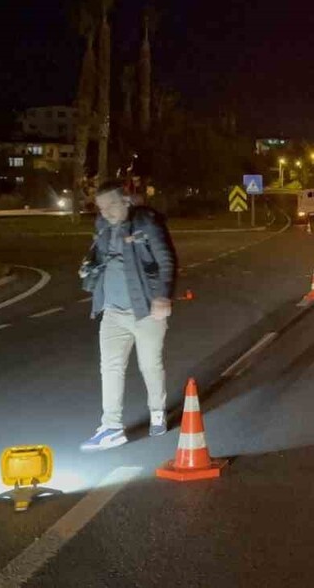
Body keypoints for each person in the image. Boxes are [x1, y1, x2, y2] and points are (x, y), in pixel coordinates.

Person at [78, 180, 177, 451]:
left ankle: (157, 412)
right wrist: (89, 268)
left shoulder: (146, 223)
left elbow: (167, 259)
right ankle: (111, 427)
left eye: (111, 205)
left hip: (145, 310)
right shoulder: (102, 226)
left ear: (126, 200)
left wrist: (163, 295)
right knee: (109, 368)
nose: (106, 212)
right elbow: (99, 256)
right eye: (101, 207)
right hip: (112, 310)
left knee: (149, 365)